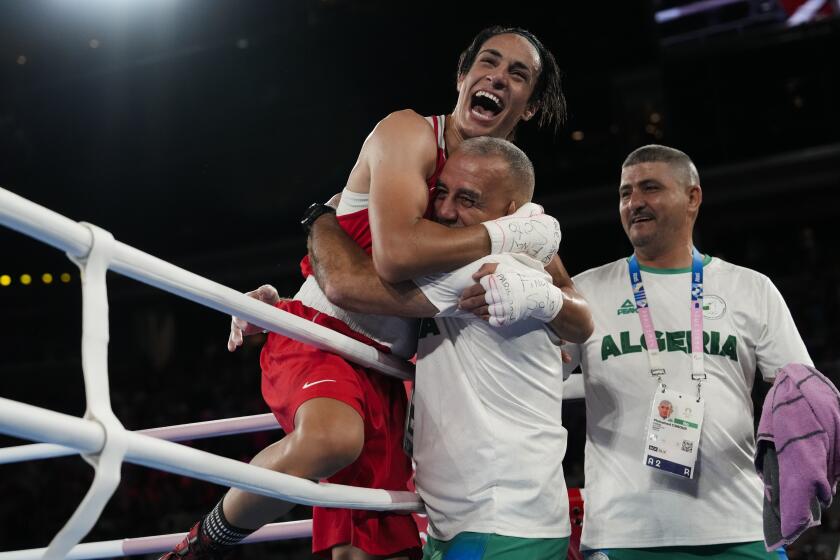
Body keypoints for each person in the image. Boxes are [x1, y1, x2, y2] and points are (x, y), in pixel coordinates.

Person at [160, 25, 571, 560]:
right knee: (331, 441)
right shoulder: (409, 134)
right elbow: (395, 255)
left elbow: (562, 292)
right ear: (463, 76)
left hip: (391, 375)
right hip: (324, 337)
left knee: (368, 551)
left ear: (531, 106)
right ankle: (197, 547)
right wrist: (505, 237)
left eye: (518, 74)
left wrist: (549, 307)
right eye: (488, 63)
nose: (498, 77)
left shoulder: (502, 190)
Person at [462, 144, 812, 559]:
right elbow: (539, 374)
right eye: (625, 193)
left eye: (650, 188)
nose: (635, 203)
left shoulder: (751, 288)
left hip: (739, 525)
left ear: (693, 198)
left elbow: (801, 400)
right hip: (623, 534)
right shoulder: (584, 293)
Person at [308, 136, 594, 559]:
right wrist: (282, 305)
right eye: (441, 192)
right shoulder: (495, 268)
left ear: (510, 216)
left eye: (467, 199)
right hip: (473, 522)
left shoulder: (483, 269)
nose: (443, 211)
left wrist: (320, 218)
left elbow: (343, 284)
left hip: (498, 525)